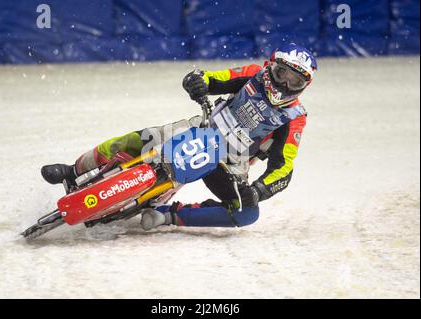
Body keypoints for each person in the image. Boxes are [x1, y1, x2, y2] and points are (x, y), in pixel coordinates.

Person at [41, 43, 317, 230]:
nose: (285, 85)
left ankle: (168, 215)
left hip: (232, 161)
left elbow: (283, 167)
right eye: (283, 74)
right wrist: (197, 82)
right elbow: (213, 77)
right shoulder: (252, 75)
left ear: (304, 86)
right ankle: (74, 169)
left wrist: (257, 191)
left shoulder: (295, 117)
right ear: (271, 66)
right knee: (140, 139)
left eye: (295, 82)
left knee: (246, 213)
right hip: (202, 127)